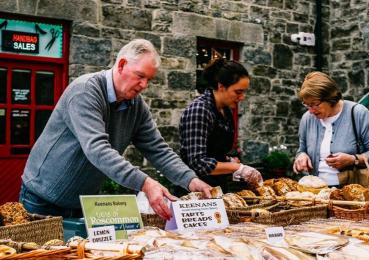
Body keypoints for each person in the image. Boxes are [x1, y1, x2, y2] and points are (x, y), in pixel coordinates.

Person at [19, 39, 212, 220]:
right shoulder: (85, 91)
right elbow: (97, 148)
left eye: (149, 80)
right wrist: (146, 183)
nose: (144, 85)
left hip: (83, 202)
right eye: (140, 76)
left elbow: (158, 149)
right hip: (42, 198)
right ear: (121, 65)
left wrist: (190, 180)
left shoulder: (136, 106)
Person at [179, 58, 263, 193]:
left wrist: (230, 160)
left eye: (244, 92)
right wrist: (237, 168)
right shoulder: (200, 110)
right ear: (221, 87)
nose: (242, 97)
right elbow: (199, 163)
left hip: (218, 187)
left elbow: (214, 153)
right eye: (238, 92)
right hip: (195, 191)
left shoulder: (225, 111)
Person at [293, 71, 369, 186]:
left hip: (352, 192)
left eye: (315, 104)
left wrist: (353, 159)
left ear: (330, 98)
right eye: (307, 105)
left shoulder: (357, 113)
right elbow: (301, 150)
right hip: (316, 193)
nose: (311, 111)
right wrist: (301, 156)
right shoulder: (307, 118)